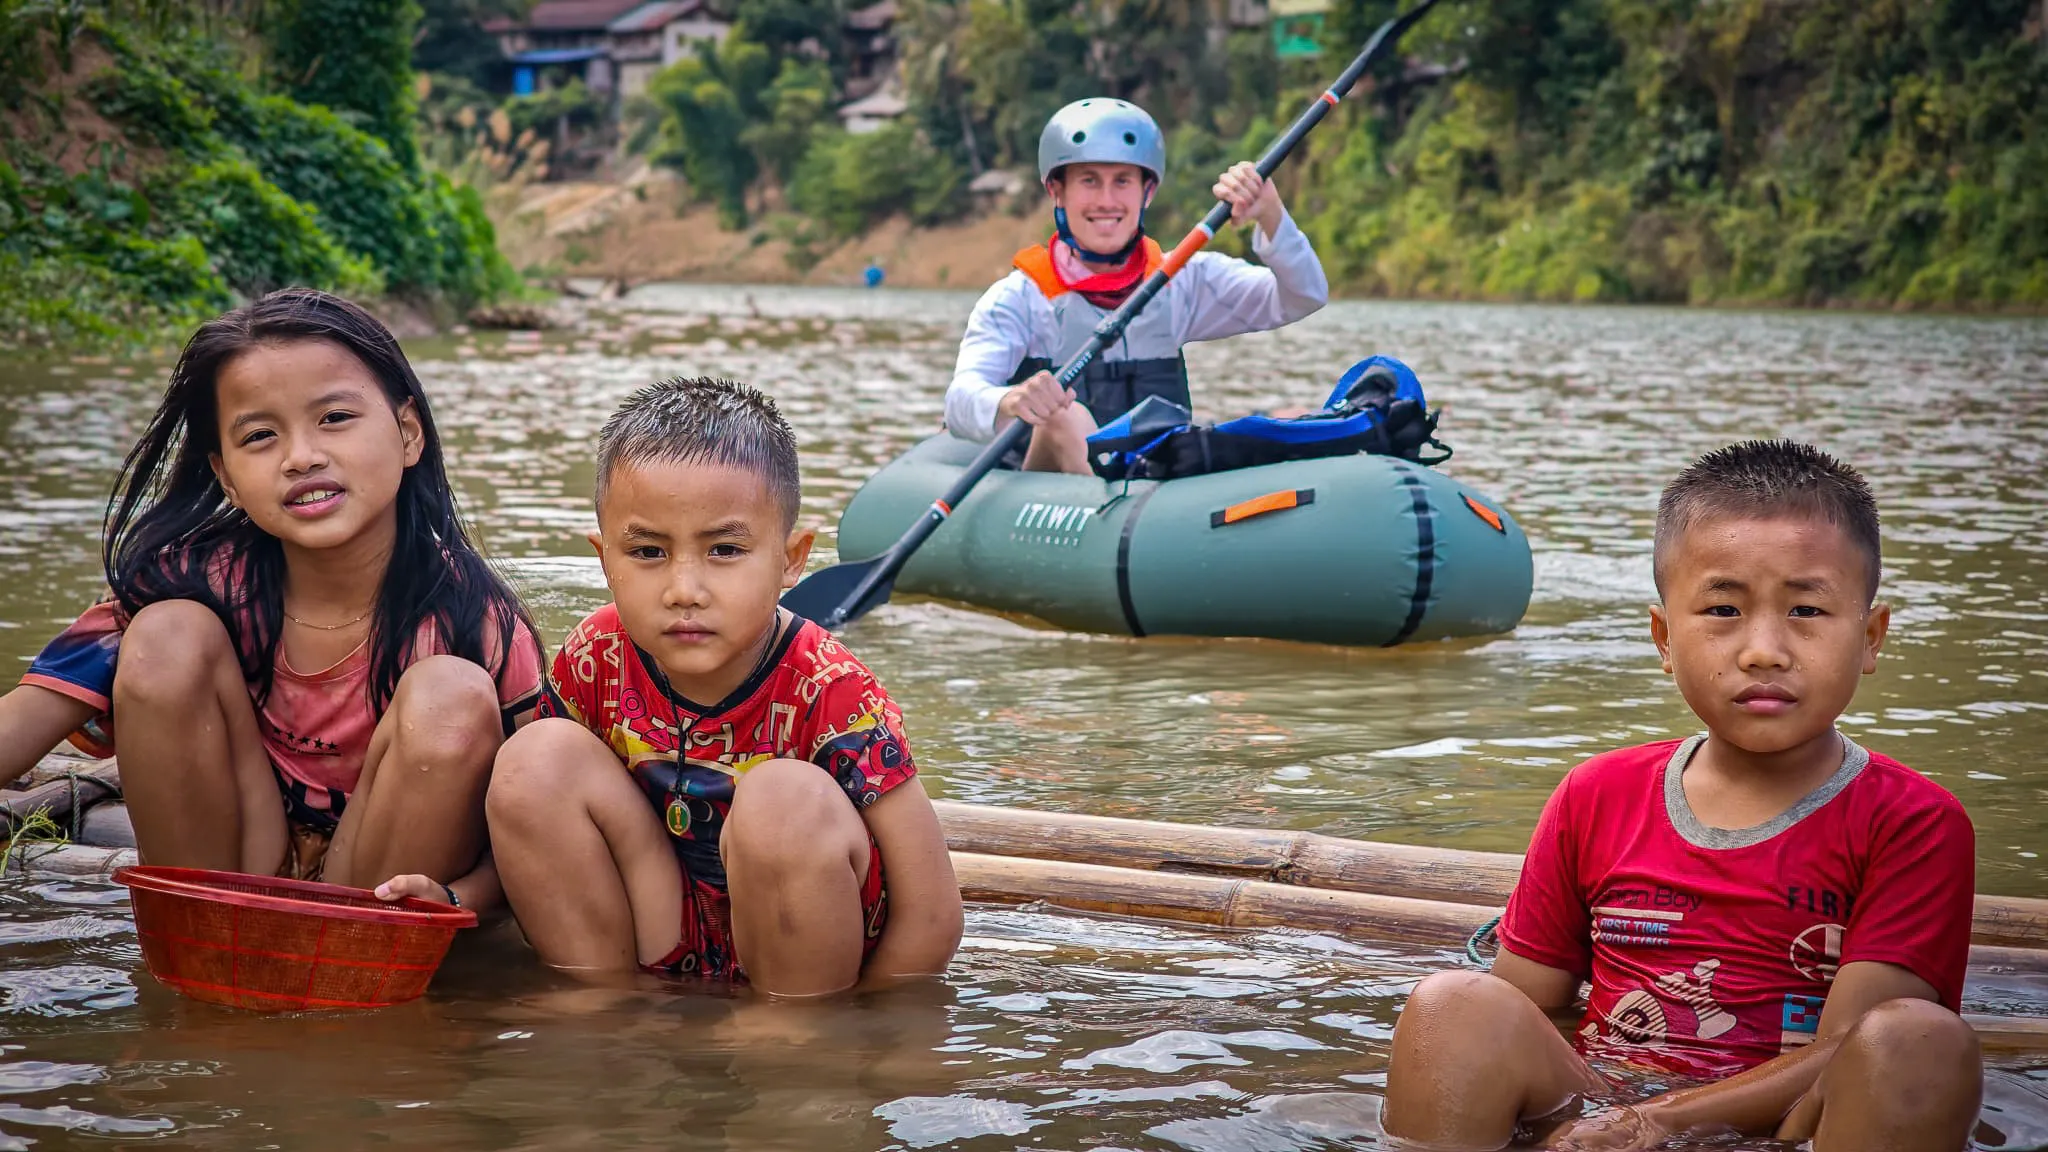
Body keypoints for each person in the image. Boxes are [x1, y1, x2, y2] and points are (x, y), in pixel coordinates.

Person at [1383, 439, 1981, 1152]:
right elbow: (1523, 1006)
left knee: (1921, 1038)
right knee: (1453, 1004)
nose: (1764, 649)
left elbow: (1854, 1051)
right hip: (1600, 1114)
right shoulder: (1596, 795)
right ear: (1664, 638)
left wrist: (1661, 1123)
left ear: (1871, 638)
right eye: (1724, 609)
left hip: (1783, 1131)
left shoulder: (1912, 823)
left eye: (1808, 612)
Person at [0, 289, 543, 908]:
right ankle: (197, 937)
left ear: (409, 433)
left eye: (335, 418)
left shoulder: (475, 618)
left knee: (453, 693)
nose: (302, 457)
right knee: (165, 635)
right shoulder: (191, 581)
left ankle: (353, 970)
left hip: (382, 895)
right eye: (260, 435)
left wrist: (455, 898)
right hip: (230, 869)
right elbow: (25, 719)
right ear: (226, 477)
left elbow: (531, 824)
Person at [487, 376, 962, 996]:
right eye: (649, 553)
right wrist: (453, 893)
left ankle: (788, 1033)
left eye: (725, 550)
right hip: (661, 921)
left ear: (792, 558)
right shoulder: (597, 655)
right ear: (605, 560)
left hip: (805, 949)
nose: (685, 588)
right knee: (533, 758)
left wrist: (858, 1035)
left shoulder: (829, 688)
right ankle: (603, 1002)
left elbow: (932, 916)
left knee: (783, 802)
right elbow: (534, 830)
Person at [944, 98, 1329, 474]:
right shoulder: (1020, 298)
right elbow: (960, 399)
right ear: (1057, 191)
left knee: (1291, 417)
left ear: (1147, 192)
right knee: (1065, 416)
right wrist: (1010, 399)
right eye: (1089, 181)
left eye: (1123, 181)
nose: (1107, 201)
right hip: (1051, 488)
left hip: (1151, 483)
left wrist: (1272, 217)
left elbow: (1303, 296)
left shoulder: (1181, 280)